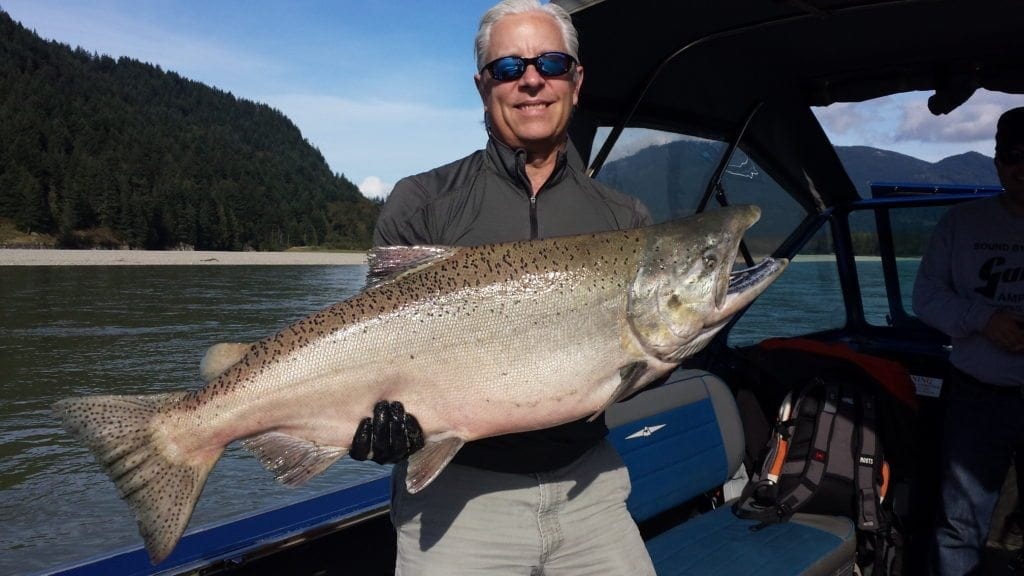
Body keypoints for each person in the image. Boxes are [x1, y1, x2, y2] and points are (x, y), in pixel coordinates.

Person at [349, 1, 657, 574]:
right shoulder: (421, 203)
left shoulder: (627, 220)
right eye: (509, 67)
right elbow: (370, 348)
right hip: (455, 503)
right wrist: (379, 425)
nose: (532, 80)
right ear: (483, 85)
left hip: (591, 492)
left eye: (552, 63)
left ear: (577, 80)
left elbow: (634, 365)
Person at [913, 106, 1024, 576]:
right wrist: (984, 318)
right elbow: (926, 297)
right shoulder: (961, 223)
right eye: (1013, 155)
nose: (1023, 167)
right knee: (959, 525)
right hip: (976, 396)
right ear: (997, 162)